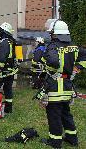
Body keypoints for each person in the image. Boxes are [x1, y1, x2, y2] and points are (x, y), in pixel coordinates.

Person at [39, 20, 86, 148]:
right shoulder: (74, 47)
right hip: (67, 86)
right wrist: (77, 69)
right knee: (66, 113)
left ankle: (55, 141)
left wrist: (51, 69)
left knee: (54, 115)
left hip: (55, 87)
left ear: (55, 33)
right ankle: (72, 138)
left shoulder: (53, 46)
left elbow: (52, 62)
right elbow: (84, 58)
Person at [0, 22, 18, 114]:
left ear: (3, 31)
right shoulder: (11, 42)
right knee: (8, 89)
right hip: (10, 71)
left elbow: (2, 59)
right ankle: (8, 109)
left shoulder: (4, 43)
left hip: (3, 71)